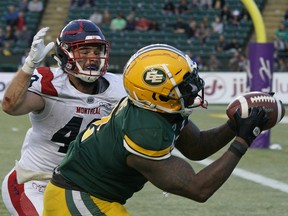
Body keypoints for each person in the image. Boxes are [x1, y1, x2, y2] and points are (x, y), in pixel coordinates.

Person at [43, 44, 269, 215]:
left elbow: (197, 147)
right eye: (185, 84)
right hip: (75, 197)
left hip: (90, 195)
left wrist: (234, 125)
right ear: (158, 93)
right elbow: (198, 189)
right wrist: (243, 140)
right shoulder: (144, 129)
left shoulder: (157, 108)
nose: (195, 87)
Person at [1, 19, 126, 215]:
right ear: (65, 54)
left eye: (97, 51)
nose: (92, 58)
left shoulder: (117, 90)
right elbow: (9, 106)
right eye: (84, 52)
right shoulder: (50, 84)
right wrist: (29, 65)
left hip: (79, 187)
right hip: (35, 183)